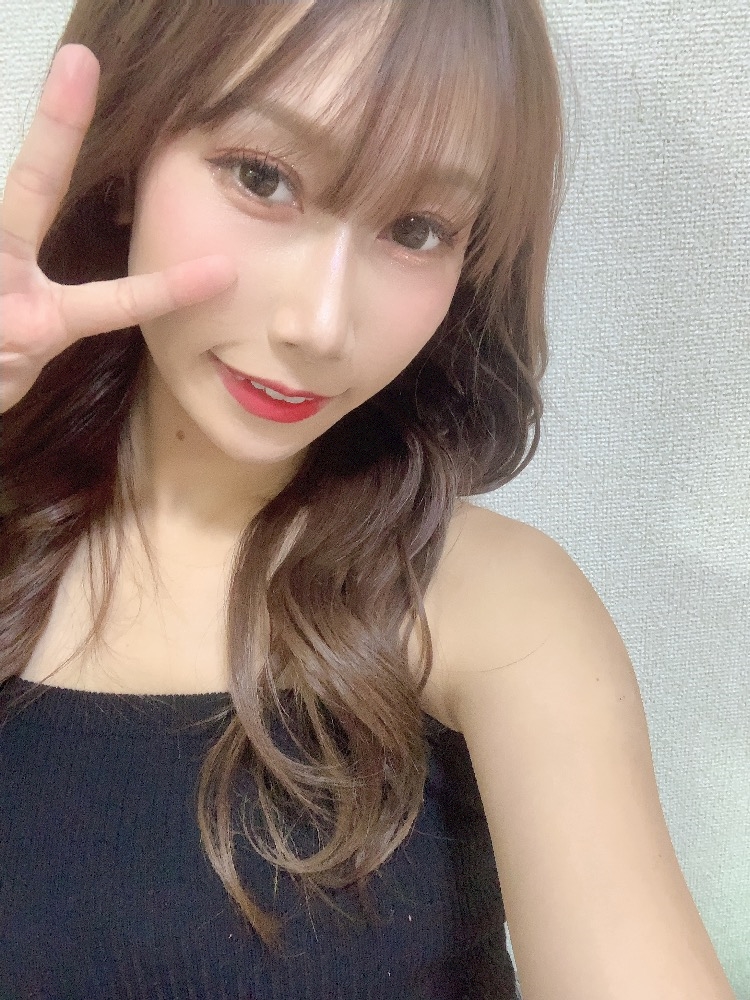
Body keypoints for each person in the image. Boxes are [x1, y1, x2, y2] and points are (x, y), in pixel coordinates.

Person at [0, 2, 737, 998]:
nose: (320, 322)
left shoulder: (490, 604)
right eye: (262, 177)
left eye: (415, 229)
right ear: (127, 157)